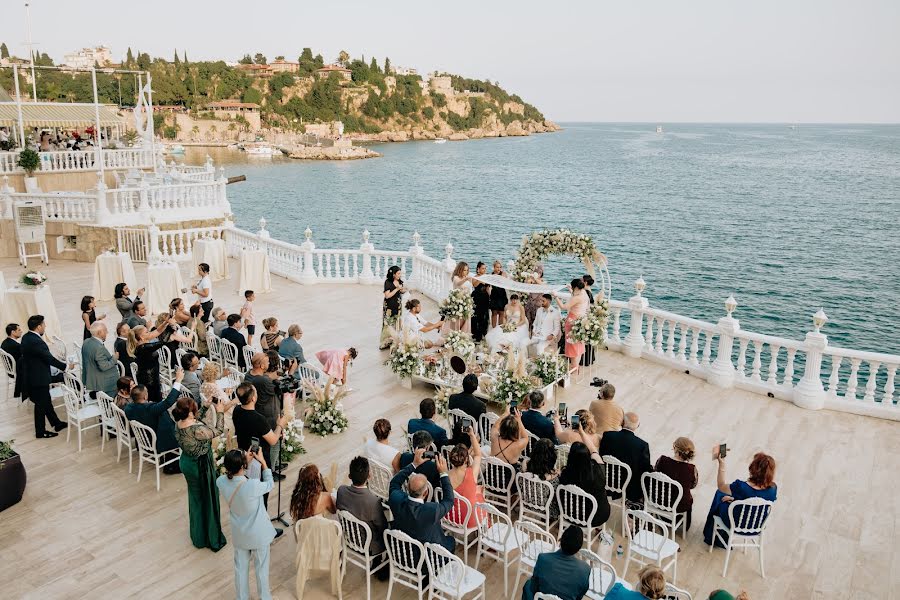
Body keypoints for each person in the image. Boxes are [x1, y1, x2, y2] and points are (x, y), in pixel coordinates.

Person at [217, 448, 277, 600]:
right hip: (259, 536)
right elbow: (270, 483)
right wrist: (263, 462)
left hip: (240, 535)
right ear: (243, 466)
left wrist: (244, 463)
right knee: (261, 571)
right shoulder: (253, 486)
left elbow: (231, 477)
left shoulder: (221, 482)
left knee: (240, 571)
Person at [174, 394, 227, 551]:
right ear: (190, 413)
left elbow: (196, 420)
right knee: (208, 499)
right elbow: (218, 430)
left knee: (196, 499)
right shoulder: (197, 430)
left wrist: (205, 406)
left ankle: (198, 535)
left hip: (186, 462)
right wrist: (220, 411)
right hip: (200, 466)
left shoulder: (178, 423)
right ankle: (209, 537)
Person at [232, 382, 288, 510]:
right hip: (259, 459)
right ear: (253, 398)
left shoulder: (237, 410)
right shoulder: (259, 419)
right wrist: (280, 425)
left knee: (248, 492)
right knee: (262, 495)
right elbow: (273, 440)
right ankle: (261, 523)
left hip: (244, 456)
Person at [703, 452, 777, 547]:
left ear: (753, 468)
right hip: (757, 526)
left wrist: (722, 464)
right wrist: (734, 500)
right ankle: (717, 537)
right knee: (726, 498)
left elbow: (721, 486)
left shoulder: (741, 487)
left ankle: (711, 536)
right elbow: (755, 500)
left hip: (736, 524)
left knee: (720, 494)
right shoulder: (773, 489)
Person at [388, 450, 455, 551]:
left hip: (403, 551)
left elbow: (394, 483)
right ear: (425, 493)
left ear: (407, 487)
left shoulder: (396, 499)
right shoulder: (432, 510)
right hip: (426, 560)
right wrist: (444, 473)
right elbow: (449, 500)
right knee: (451, 541)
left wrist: (414, 464)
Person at [336, 457, 389, 579]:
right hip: (368, 545)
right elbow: (382, 526)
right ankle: (381, 567)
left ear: (349, 476)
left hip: (350, 537)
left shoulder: (341, 491)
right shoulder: (373, 501)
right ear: (369, 476)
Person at [21, 315, 70, 438]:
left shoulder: (27, 337)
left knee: (46, 401)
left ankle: (56, 423)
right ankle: (40, 431)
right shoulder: (36, 341)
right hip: (38, 377)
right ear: (38, 327)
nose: (45, 327)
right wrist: (66, 367)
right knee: (41, 405)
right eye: (44, 325)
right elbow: (49, 358)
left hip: (33, 374)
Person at [522, 526, 590, 600]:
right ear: (579, 548)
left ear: (561, 540)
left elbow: (533, 587)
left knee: (528, 584)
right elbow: (579, 596)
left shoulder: (543, 558)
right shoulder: (585, 569)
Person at [599, 412, 652, 505]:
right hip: (628, 487)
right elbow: (645, 470)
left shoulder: (608, 436)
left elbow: (601, 455)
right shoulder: (642, 445)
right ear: (637, 426)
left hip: (607, 480)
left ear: (622, 422)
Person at [559, 435, 610, 528]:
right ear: (588, 456)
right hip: (595, 517)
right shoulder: (597, 471)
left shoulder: (566, 473)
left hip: (570, 514)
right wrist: (582, 433)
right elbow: (595, 453)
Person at [245, 352, 283, 478]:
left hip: (257, 412)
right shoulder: (264, 380)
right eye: (266, 362)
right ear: (261, 366)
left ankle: (272, 465)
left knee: (264, 446)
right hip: (268, 414)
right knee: (270, 444)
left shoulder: (248, 375)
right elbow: (278, 390)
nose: (268, 364)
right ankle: (270, 470)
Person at [654, 437, 699, 531]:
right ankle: (683, 524)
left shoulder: (662, 460)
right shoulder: (691, 469)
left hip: (660, 500)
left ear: (675, 448)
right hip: (680, 506)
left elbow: (655, 474)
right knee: (689, 498)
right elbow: (693, 485)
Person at [447, 432, 485, 527]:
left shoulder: (445, 475)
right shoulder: (471, 473)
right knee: (480, 490)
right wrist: (472, 435)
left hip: (452, 516)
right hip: (469, 519)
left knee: (476, 489)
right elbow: (478, 454)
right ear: (466, 459)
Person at [553, 278, 589, 372]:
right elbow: (574, 295)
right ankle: (576, 366)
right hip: (581, 321)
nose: (572, 289)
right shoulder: (584, 293)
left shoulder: (577, 298)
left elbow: (563, 307)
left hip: (573, 321)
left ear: (575, 287)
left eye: (572, 287)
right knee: (579, 344)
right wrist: (570, 289)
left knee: (573, 345)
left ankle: (574, 367)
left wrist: (555, 296)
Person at [525, 438, 561, 520]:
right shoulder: (553, 479)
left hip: (527, 503)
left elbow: (525, 462)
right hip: (547, 509)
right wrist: (555, 475)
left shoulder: (525, 470)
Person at [81, 322, 119, 398]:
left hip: (91, 379)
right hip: (103, 383)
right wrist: (114, 358)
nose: (107, 332)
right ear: (99, 332)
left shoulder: (86, 342)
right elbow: (104, 367)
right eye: (105, 330)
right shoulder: (99, 347)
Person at [381, 265, 405, 350]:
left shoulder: (400, 281)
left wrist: (402, 290)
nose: (400, 275)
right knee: (388, 323)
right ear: (394, 274)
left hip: (397, 305)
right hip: (389, 306)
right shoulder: (388, 282)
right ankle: (385, 342)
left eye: (400, 273)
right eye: (398, 273)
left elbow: (400, 292)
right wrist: (397, 289)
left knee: (396, 323)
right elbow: (387, 296)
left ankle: (394, 341)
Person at [449, 261, 474, 332]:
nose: (466, 272)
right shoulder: (455, 277)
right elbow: (458, 283)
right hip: (458, 301)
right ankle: (456, 332)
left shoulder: (466, 277)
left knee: (465, 318)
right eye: (464, 270)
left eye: (467, 270)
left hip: (466, 300)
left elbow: (470, 288)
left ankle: (464, 333)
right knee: (458, 319)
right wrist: (466, 279)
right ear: (460, 270)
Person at [470, 261, 491, 342]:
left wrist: (489, 297)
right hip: (477, 298)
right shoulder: (475, 277)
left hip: (485, 298)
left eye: (485, 268)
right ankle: (475, 334)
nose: (484, 270)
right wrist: (480, 279)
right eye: (483, 268)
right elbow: (474, 285)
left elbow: (488, 289)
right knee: (476, 316)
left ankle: (482, 333)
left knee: (484, 316)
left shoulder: (487, 277)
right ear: (478, 269)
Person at [2, 323, 23, 399]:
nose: (21, 331)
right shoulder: (16, 346)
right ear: (13, 332)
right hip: (16, 371)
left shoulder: (4, 343)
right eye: (19, 330)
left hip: (10, 371)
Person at [524, 263, 545, 329]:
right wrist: (530, 278)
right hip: (530, 303)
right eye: (537, 272)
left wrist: (536, 279)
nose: (538, 274)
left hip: (538, 304)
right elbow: (526, 285)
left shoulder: (542, 281)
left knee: (537, 322)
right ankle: (528, 335)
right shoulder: (531, 280)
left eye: (540, 273)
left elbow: (542, 286)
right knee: (528, 321)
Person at [489, 260, 508, 328]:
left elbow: (505, 281)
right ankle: (494, 329)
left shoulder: (503, 274)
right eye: (497, 267)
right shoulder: (491, 275)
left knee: (501, 313)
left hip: (502, 295)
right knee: (494, 313)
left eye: (500, 267)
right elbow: (489, 286)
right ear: (494, 267)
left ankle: (499, 329)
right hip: (494, 295)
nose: (498, 269)